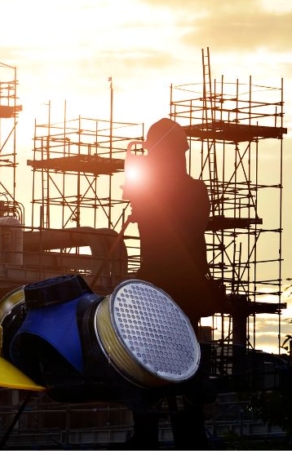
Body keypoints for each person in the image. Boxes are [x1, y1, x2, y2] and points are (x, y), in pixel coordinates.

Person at [121, 117, 219, 450]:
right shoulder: (190, 190)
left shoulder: (180, 191)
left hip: (164, 287)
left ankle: (161, 434)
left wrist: (138, 171)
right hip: (176, 288)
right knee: (172, 363)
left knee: (155, 361)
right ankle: (181, 435)